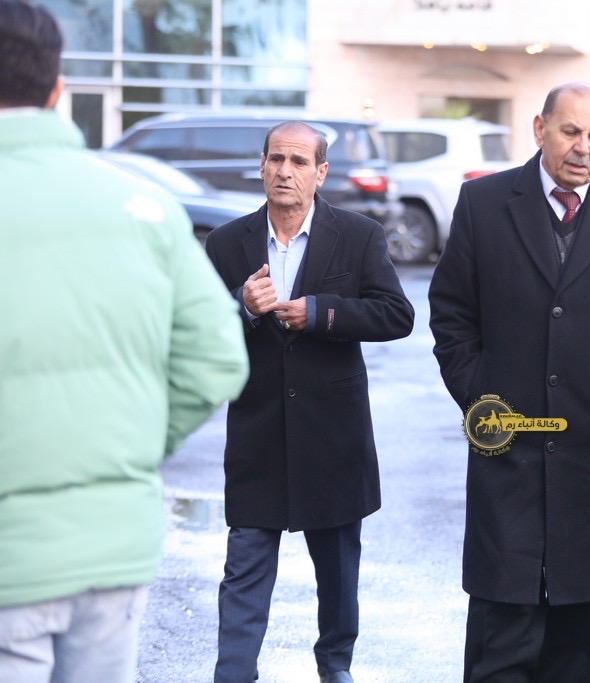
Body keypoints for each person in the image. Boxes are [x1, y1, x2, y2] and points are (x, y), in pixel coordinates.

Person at [0, 2, 250, 681]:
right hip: (115, 544)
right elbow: (217, 358)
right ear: (57, 88)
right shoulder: (146, 206)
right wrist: (128, 447)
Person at [428, 81, 590, 682]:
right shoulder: (483, 203)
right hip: (506, 451)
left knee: (573, 651)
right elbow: (452, 313)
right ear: (539, 128)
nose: (584, 148)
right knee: (500, 641)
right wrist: (480, 394)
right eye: (571, 132)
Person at [204, 120, 415, 683]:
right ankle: (233, 674)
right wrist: (242, 306)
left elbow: (397, 315)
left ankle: (334, 667)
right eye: (276, 159)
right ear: (261, 165)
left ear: (321, 173)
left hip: (333, 436)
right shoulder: (226, 242)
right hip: (257, 437)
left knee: (338, 575)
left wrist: (321, 312)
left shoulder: (359, 235)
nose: (285, 171)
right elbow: (198, 332)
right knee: (244, 570)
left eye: (299, 162)